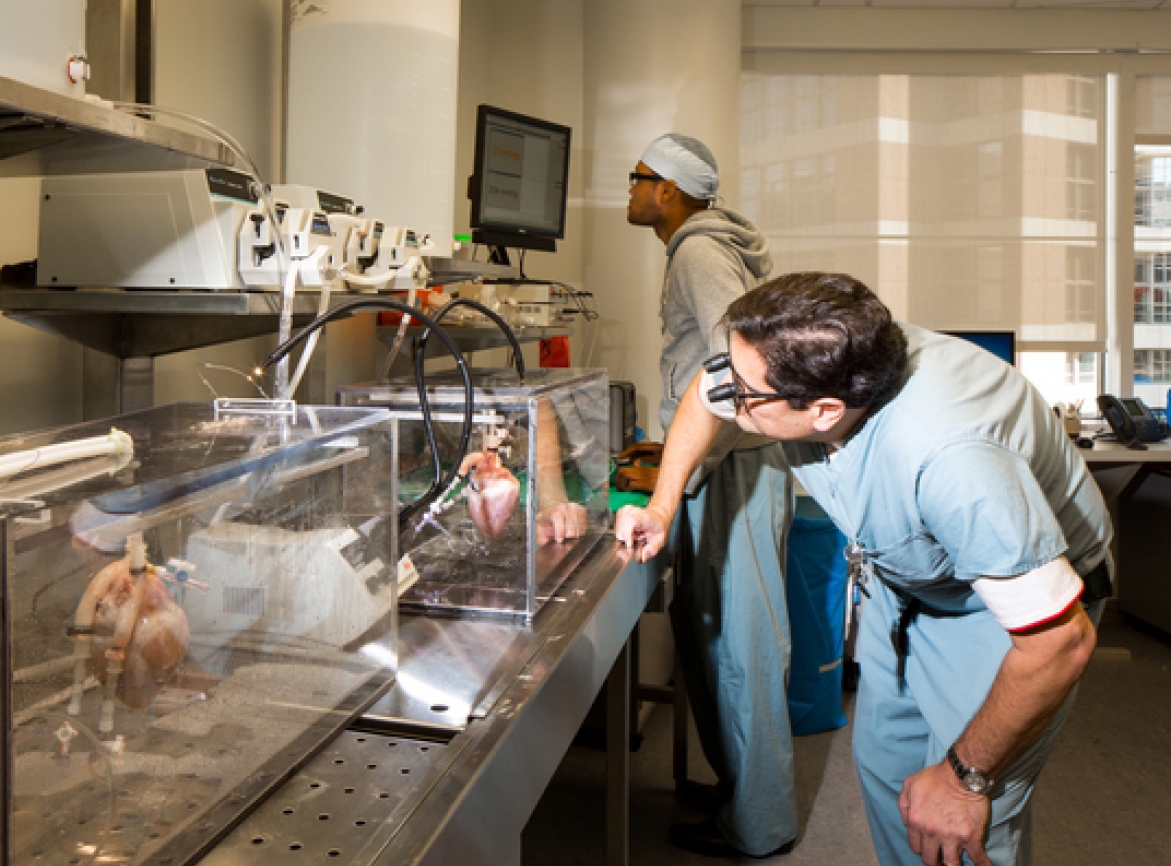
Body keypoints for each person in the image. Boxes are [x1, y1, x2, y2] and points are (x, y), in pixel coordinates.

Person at [615, 272, 1110, 866]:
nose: (731, 397)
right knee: (891, 773)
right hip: (909, 580)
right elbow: (705, 391)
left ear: (824, 411)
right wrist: (663, 507)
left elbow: (1057, 644)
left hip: (1004, 614)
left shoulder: (955, 463)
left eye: (746, 394)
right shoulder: (817, 365)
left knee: (962, 818)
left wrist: (962, 780)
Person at [627, 133, 798, 858]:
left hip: (733, 469)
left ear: (666, 189)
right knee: (712, 638)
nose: (628, 190)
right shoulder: (703, 248)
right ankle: (739, 789)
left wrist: (686, 469)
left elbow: (738, 365)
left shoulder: (698, 251)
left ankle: (758, 823)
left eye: (637, 178)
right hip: (730, 464)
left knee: (742, 646)